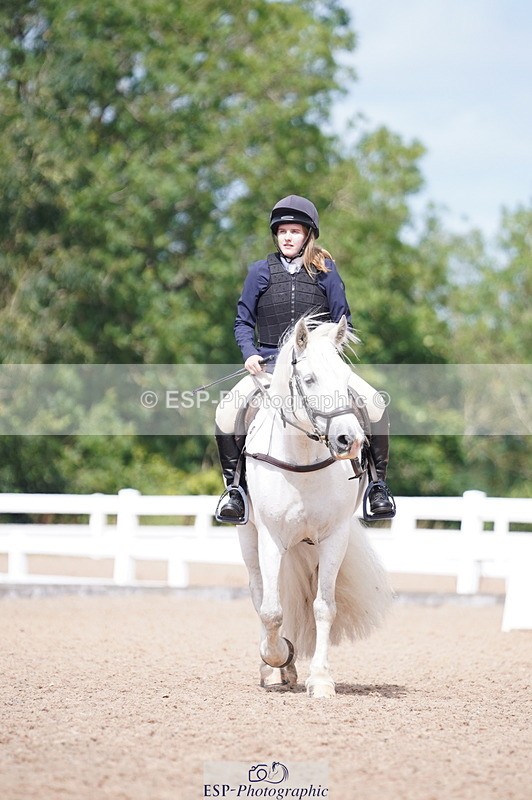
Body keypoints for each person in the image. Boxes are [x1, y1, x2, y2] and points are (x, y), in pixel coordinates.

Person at [215, 194, 395, 523]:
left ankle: (377, 486)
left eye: (294, 232)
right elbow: (243, 322)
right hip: (270, 367)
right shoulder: (259, 272)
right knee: (226, 412)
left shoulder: (326, 271)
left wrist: (326, 352)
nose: (287, 237)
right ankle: (235, 490)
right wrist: (249, 353)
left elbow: (343, 321)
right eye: (282, 231)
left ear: (308, 235)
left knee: (374, 404)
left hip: (318, 367)